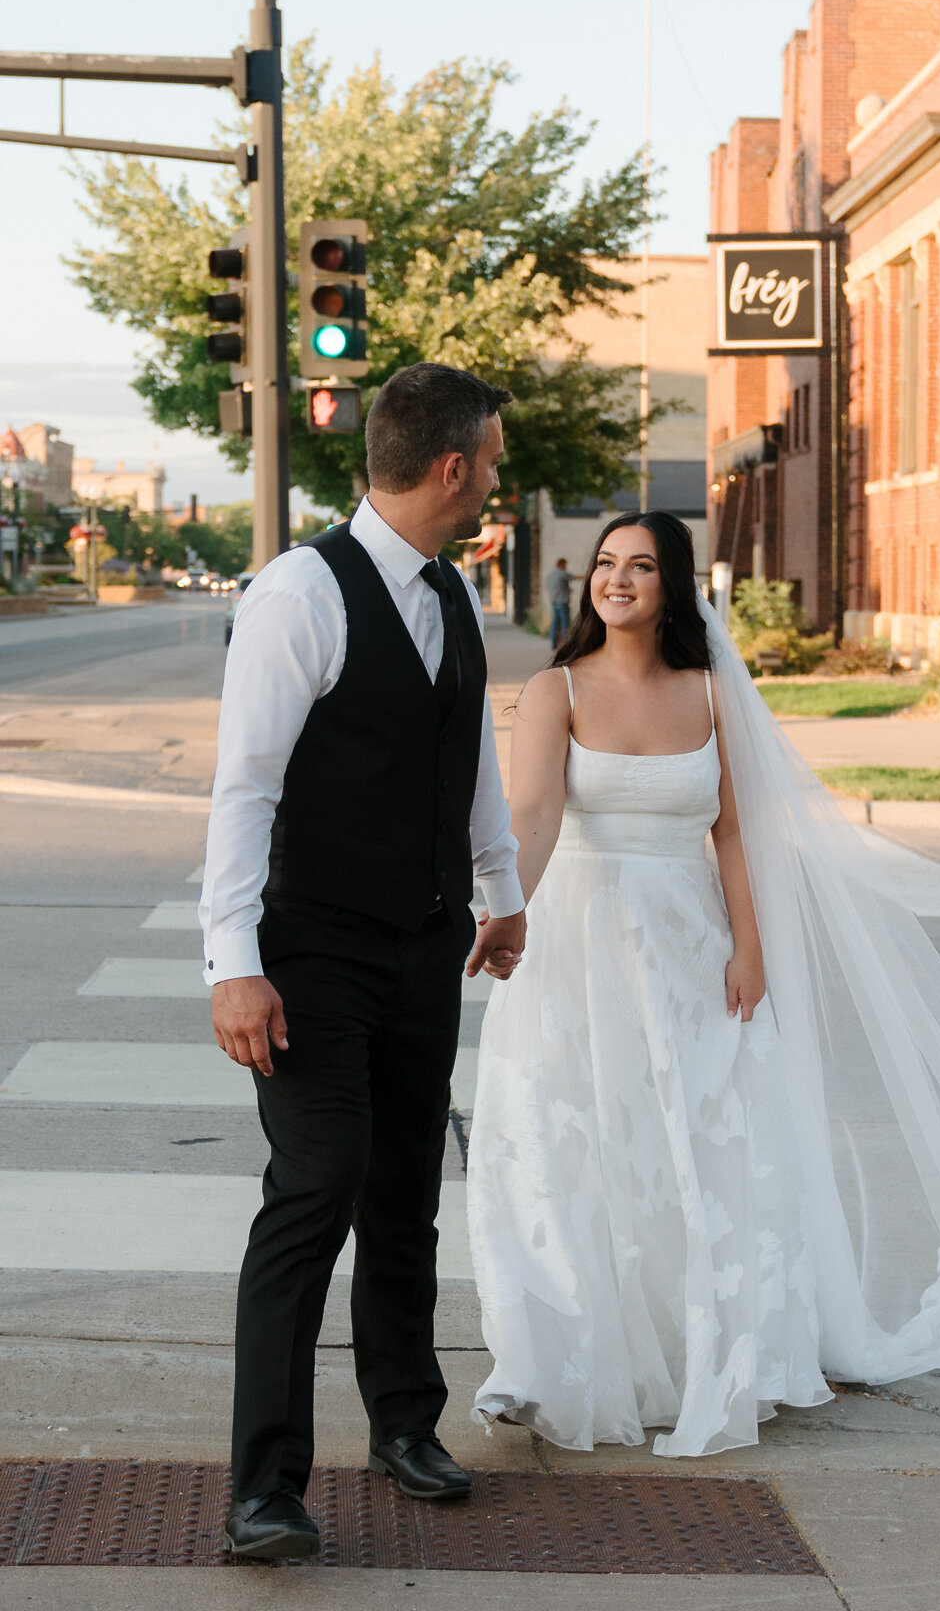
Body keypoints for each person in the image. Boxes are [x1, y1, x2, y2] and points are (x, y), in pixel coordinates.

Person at [466, 510, 940, 1459]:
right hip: (579, 949)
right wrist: (507, 906)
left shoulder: (713, 693)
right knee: (572, 1143)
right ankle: (553, 1359)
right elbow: (534, 812)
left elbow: (730, 832)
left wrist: (750, 948)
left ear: (672, 585)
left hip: (690, 950)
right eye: (606, 564)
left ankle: (704, 1350)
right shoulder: (555, 690)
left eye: (641, 566)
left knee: (705, 1146)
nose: (618, 580)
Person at [200, 363, 527, 1559]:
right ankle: (265, 1487)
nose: (495, 476)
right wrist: (232, 964)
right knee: (318, 1182)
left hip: (425, 946)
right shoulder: (300, 595)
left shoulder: (453, 595)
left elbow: (471, 752)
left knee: (406, 1199)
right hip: (311, 955)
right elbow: (245, 790)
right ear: (452, 467)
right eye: (489, 459)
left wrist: (501, 892)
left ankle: (404, 1423)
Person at [546, 556, 572, 649]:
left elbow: (550, 588)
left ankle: (553, 644)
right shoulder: (562, 574)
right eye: (565, 565)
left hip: (554, 601)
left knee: (555, 623)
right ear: (563, 564)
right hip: (562, 602)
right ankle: (565, 645)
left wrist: (567, 589)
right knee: (565, 623)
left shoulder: (551, 575)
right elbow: (573, 577)